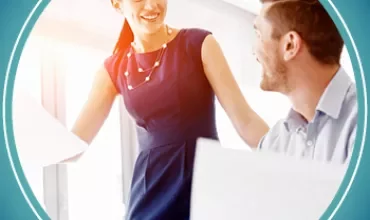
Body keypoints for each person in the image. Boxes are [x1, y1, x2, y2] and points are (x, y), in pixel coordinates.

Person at [67, 0, 269, 219]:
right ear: (117, 4)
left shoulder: (199, 44)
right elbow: (74, 146)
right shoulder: (113, 69)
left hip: (203, 183)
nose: (151, 6)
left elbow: (245, 120)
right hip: (149, 194)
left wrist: (293, 159)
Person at [253, 0, 357, 164]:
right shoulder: (274, 142)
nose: (254, 51)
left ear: (290, 45)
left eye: (259, 35)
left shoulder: (361, 126)